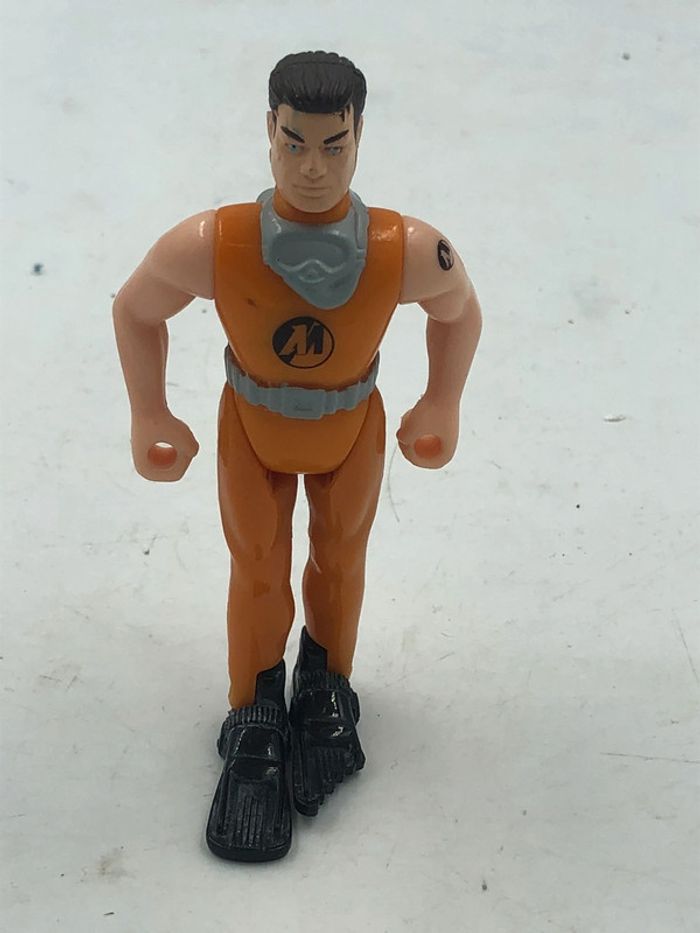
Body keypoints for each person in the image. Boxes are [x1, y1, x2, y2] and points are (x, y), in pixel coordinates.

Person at [113, 51, 482, 862]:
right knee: (257, 567)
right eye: (295, 144)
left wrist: (442, 400)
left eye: (333, 146)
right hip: (254, 426)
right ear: (269, 135)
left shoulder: (405, 247)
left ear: (359, 139)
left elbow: (458, 310)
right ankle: (253, 714)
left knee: (341, 560)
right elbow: (136, 308)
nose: (313, 168)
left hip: (351, 424)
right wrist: (149, 412)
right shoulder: (215, 242)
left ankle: (325, 686)